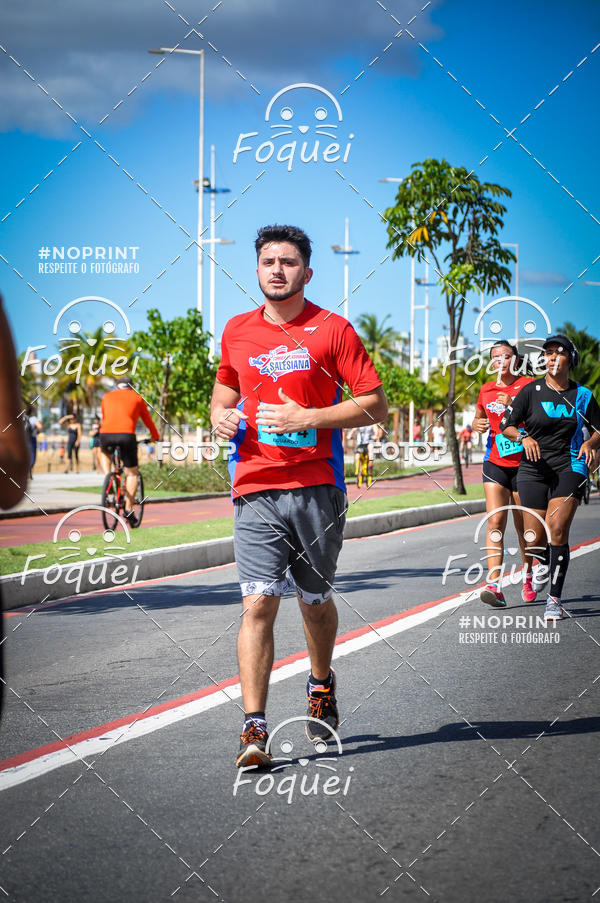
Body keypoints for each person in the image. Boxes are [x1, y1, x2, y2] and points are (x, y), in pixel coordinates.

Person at [211, 224, 387, 768]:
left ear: (307, 273)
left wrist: (308, 417)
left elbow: (375, 405)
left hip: (316, 488)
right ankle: (254, 729)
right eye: (268, 261)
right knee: (258, 602)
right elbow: (222, 396)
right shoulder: (236, 331)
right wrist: (220, 418)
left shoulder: (333, 331)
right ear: (257, 269)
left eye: (288, 262)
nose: (277, 270)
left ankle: (320, 682)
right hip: (256, 486)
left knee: (313, 602)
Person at [500, 334, 600, 620]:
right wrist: (523, 436)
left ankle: (554, 599)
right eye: (548, 353)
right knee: (533, 537)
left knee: (557, 528)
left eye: (559, 352)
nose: (553, 357)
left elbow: (599, 430)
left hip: (571, 464)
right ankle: (541, 560)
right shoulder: (531, 391)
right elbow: (507, 424)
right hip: (533, 467)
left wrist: (590, 444)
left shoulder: (583, 395)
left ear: (571, 359)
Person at [471, 340, 534, 607]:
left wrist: (513, 404)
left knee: (523, 527)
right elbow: (478, 417)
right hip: (494, 462)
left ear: (515, 360)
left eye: (506, 356)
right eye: (496, 357)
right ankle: (494, 583)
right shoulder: (486, 389)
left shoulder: (530, 386)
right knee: (496, 522)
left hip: (524, 464)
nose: (501, 361)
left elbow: (537, 422)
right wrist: (476, 424)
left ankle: (528, 573)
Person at [0, 296, 30, 717]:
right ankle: (128, 490)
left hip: (105, 438)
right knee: (129, 468)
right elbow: (12, 486)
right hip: (125, 439)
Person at [99, 378, 160, 527]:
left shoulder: (106, 396)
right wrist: (155, 436)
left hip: (106, 435)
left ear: (116, 386)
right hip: (126, 435)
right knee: (132, 473)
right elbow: (148, 421)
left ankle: (109, 477)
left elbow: (105, 417)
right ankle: (128, 508)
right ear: (132, 387)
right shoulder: (137, 398)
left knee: (103, 452)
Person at [25, 405, 42, 478]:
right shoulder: (33, 418)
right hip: (32, 438)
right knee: (33, 456)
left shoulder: (22, 418)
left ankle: (27, 472)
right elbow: (40, 427)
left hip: (24, 439)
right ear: (32, 411)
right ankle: (29, 470)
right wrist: (37, 432)